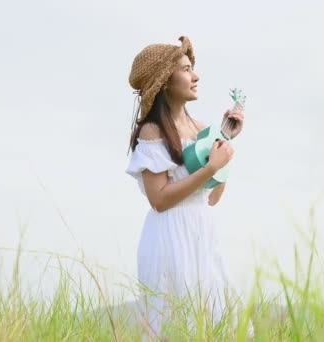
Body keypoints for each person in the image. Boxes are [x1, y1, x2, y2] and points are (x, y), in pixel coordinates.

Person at [125, 36, 253, 339]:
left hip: (201, 230)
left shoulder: (200, 129)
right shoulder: (152, 130)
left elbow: (211, 197)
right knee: (174, 322)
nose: (195, 76)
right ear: (164, 81)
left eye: (192, 68)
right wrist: (210, 166)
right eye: (185, 69)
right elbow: (159, 200)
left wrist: (224, 140)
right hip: (169, 234)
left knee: (215, 320)